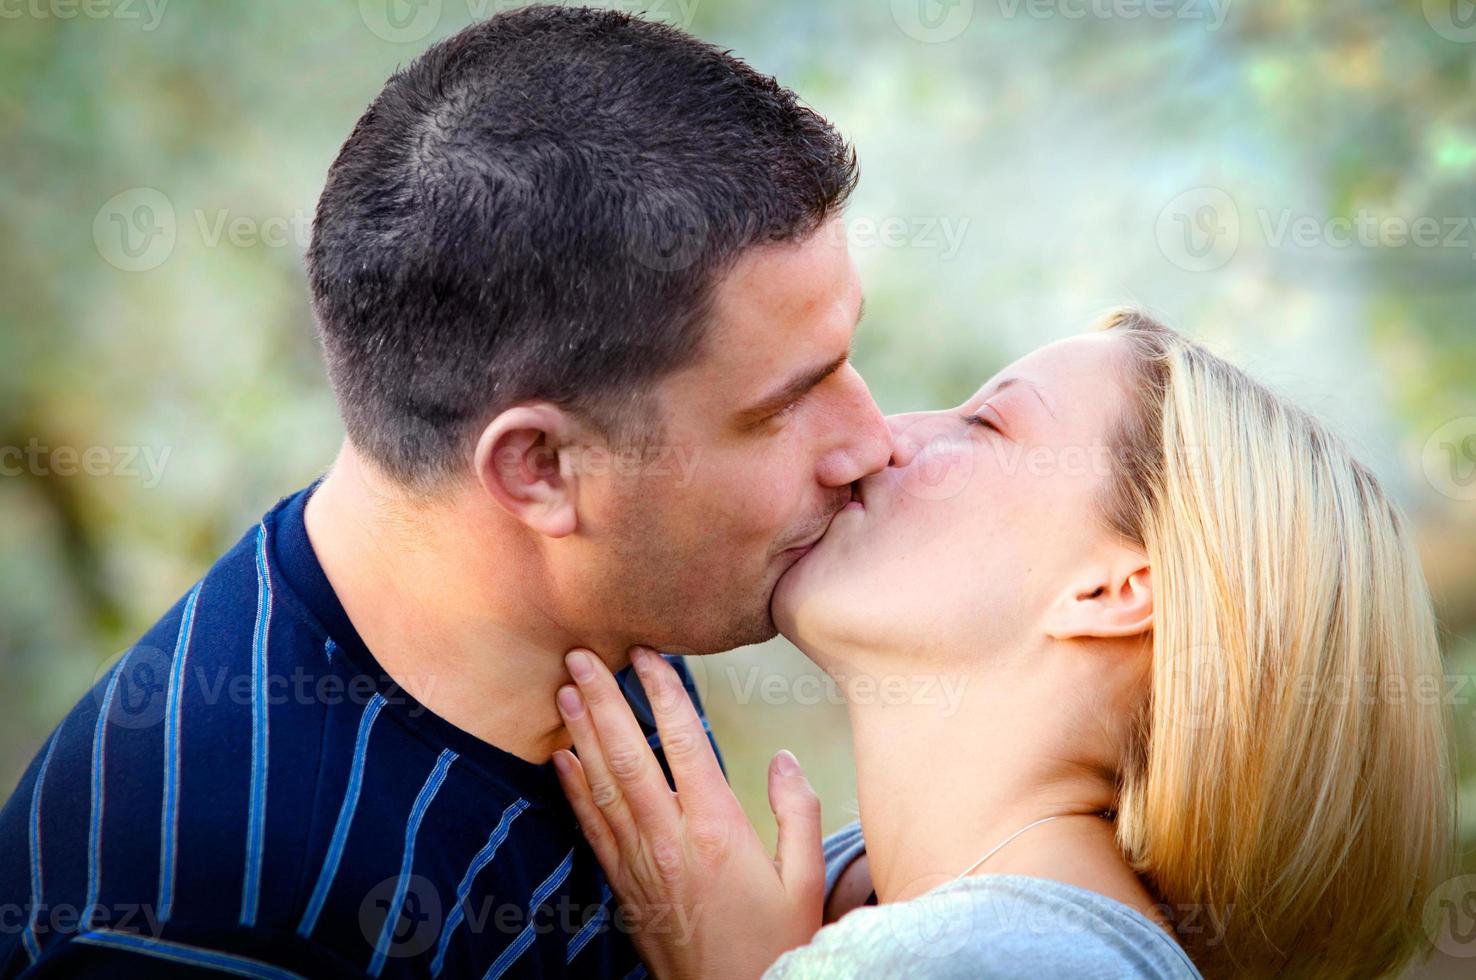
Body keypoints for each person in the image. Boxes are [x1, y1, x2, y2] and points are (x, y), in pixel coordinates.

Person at [0, 8, 891, 977]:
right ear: (539, 469)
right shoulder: (202, 910)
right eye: (779, 408)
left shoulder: (601, 590)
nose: (869, 443)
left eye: (845, 359)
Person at [553, 311, 1456, 978]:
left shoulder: (1011, 961)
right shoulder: (908, 916)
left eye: (985, 423)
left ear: (1113, 590)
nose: (880, 438)